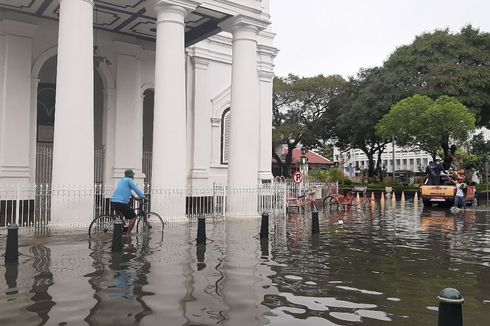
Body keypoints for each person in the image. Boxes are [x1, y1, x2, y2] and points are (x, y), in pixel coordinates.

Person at [111, 169, 145, 237]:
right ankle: (128, 234)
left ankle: (123, 229)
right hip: (121, 203)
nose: (133, 177)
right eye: (133, 175)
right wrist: (143, 197)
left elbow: (127, 190)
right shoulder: (129, 180)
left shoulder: (122, 180)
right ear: (131, 176)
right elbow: (136, 189)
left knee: (123, 216)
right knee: (133, 217)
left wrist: (135, 198)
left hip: (114, 202)